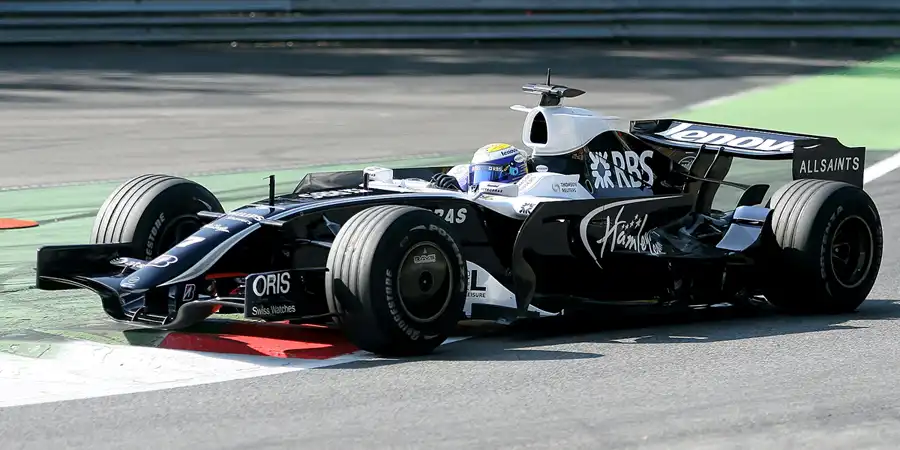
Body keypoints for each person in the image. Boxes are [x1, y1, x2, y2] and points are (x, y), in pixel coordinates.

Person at [430, 143, 530, 192]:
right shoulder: (463, 177)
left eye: (491, 174)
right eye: (480, 175)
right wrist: (457, 191)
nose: (480, 183)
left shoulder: (529, 190)